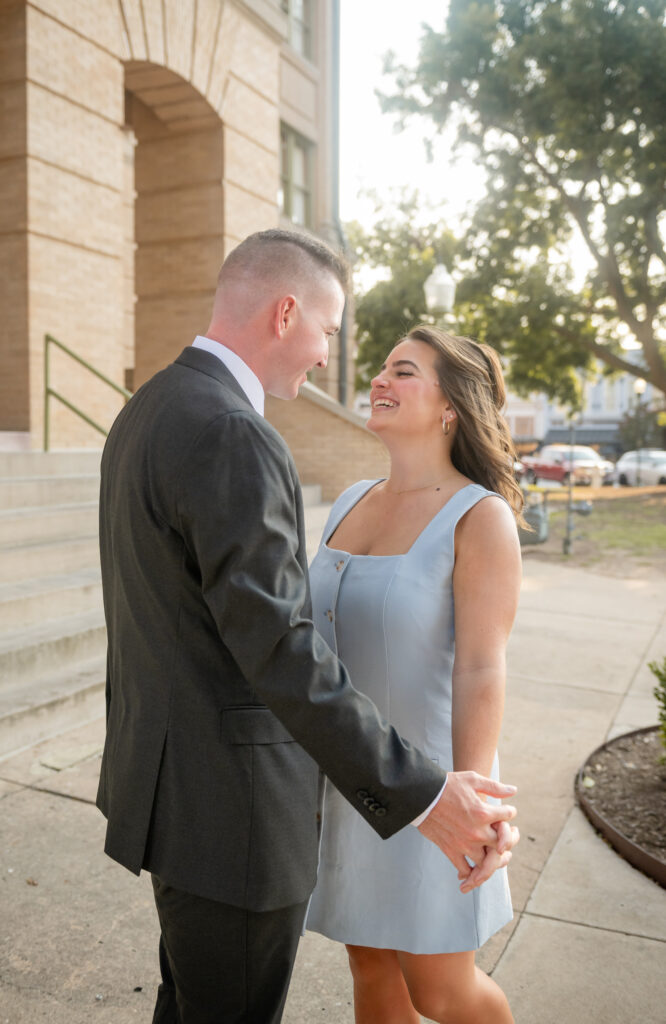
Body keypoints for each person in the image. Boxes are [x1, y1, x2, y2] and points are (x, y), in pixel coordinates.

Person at [96, 230, 519, 1024]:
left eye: (402, 368)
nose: (329, 357)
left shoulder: (149, 407)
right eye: (328, 330)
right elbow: (282, 646)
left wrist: (458, 784)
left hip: (192, 792)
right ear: (287, 313)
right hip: (236, 808)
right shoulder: (233, 432)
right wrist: (428, 797)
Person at [306, 325, 524, 1024]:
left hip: (433, 789)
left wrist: (474, 800)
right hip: (350, 778)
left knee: (440, 990)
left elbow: (483, 666)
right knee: (369, 966)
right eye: (382, 369)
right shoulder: (349, 500)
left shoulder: (478, 516)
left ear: (450, 407)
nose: (378, 380)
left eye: (403, 372)